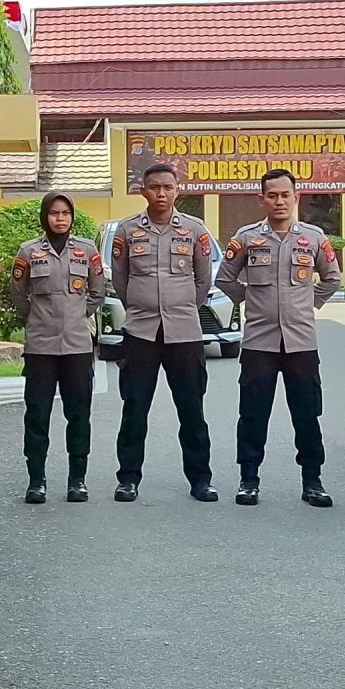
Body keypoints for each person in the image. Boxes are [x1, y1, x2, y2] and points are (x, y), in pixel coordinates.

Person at [218, 168, 343, 507]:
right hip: (259, 342)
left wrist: (308, 302)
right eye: (272, 195)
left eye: (285, 194)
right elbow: (225, 278)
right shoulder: (246, 238)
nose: (279, 201)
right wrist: (249, 301)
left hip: (301, 342)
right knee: (253, 415)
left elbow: (332, 278)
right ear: (262, 199)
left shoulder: (314, 238)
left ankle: (313, 481)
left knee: (306, 414)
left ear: (295, 197)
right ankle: (248, 479)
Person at [108, 162, 216, 502]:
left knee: (192, 409)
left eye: (167, 187)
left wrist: (181, 306)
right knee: (135, 407)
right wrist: (142, 306)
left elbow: (203, 280)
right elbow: (121, 279)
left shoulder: (195, 230)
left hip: (183, 331)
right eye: (154, 187)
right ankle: (128, 478)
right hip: (141, 331)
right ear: (143, 191)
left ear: (177, 190)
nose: (161, 193)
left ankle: (200, 480)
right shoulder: (127, 231)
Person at [10, 192, 103, 503]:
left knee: (79, 415)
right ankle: (36, 480)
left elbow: (96, 293)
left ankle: (77, 479)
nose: (60, 219)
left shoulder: (87, 251)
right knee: (37, 415)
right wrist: (40, 318)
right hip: (40, 347)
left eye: (65, 213)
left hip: (77, 345)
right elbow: (19, 295)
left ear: (72, 216)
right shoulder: (28, 252)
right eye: (54, 213)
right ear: (44, 216)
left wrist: (75, 316)